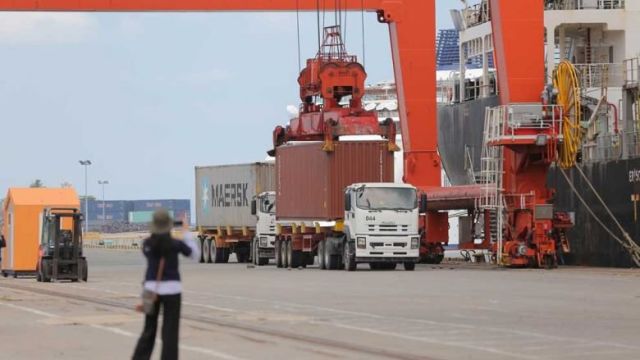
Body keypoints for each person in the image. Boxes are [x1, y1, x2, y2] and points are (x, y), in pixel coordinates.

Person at [132, 209, 199, 360]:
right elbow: (195, 255)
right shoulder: (175, 244)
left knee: (149, 329)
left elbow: (149, 257)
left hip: (150, 290)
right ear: (169, 225)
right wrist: (186, 232)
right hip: (172, 289)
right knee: (170, 331)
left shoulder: (147, 244)